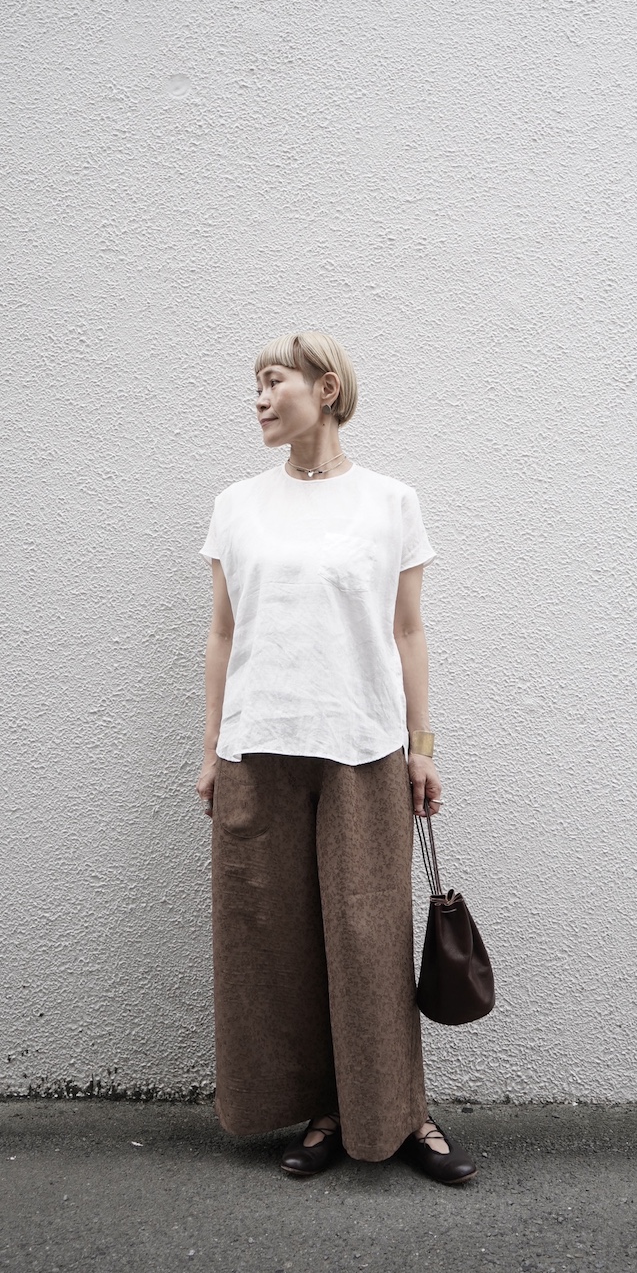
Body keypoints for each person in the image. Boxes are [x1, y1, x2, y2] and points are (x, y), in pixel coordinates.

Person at [196, 331, 476, 1185]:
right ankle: (322, 1108)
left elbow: (409, 632)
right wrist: (211, 750)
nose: (257, 398)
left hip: (362, 746)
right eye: (254, 384)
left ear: (324, 388)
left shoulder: (390, 502)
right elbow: (222, 635)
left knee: (368, 937)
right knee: (274, 940)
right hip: (259, 748)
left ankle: (400, 1113)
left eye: (271, 381)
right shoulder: (237, 505)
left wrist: (422, 749)